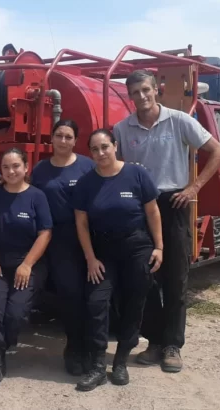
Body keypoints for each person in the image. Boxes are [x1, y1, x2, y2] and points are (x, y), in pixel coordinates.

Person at [114, 69, 220, 373]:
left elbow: (218, 151)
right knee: (146, 277)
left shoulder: (179, 120)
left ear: (157, 90)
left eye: (146, 90)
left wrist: (193, 188)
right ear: (130, 95)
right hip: (140, 207)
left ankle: (173, 344)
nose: (142, 96)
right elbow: (116, 167)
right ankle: (153, 341)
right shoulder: (122, 129)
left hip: (173, 202)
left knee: (176, 277)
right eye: (135, 92)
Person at [72, 128, 163, 391]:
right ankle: (99, 365)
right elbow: (81, 223)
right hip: (102, 250)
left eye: (105, 147)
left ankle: (121, 360)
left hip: (136, 246)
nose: (100, 153)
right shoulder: (87, 183)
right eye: (95, 149)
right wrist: (90, 258)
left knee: (135, 301)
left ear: (115, 146)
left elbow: (153, 212)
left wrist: (158, 247)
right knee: (97, 301)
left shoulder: (136, 174)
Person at [0, 148, 52, 393]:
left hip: (28, 264)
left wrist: (27, 264)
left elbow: (45, 233)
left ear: (26, 167)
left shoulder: (37, 197)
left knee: (15, 313)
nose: (11, 171)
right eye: (6, 167)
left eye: (16, 166)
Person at [30, 119, 95, 375]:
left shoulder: (87, 167)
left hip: (85, 236)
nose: (63, 141)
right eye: (59, 135)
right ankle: (74, 348)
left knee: (90, 296)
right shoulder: (41, 170)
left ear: (75, 140)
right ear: (52, 139)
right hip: (54, 238)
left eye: (69, 136)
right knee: (69, 295)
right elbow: (30, 198)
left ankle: (89, 347)